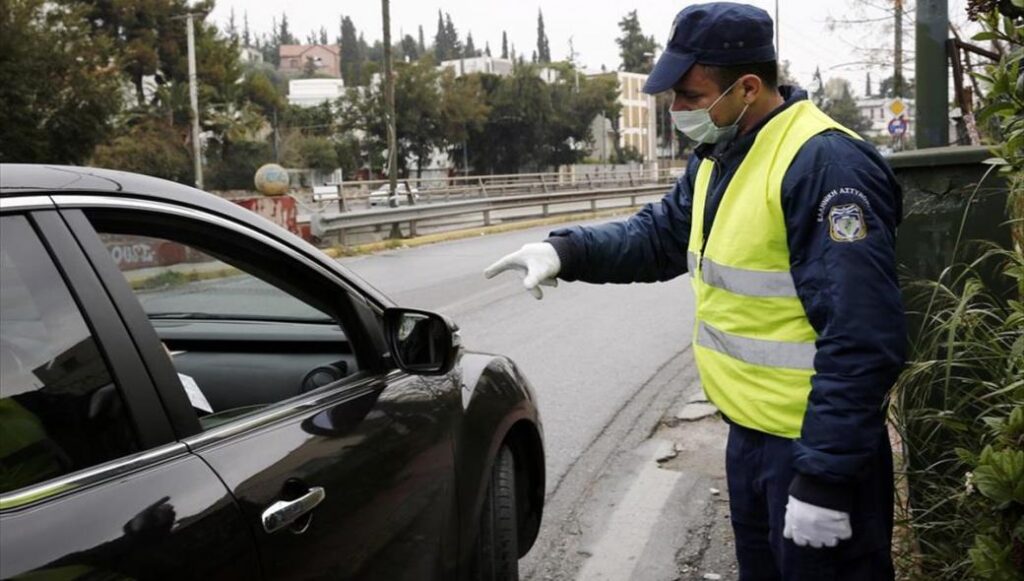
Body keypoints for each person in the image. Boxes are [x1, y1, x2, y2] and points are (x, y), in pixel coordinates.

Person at [484, 3, 906, 580]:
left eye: (689, 94)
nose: (677, 110)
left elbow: (863, 335)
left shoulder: (824, 165)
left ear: (749, 87)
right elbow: (659, 235)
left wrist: (825, 478)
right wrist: (567, 250)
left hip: (812, 448)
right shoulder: (721, 155)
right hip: (752, 440)